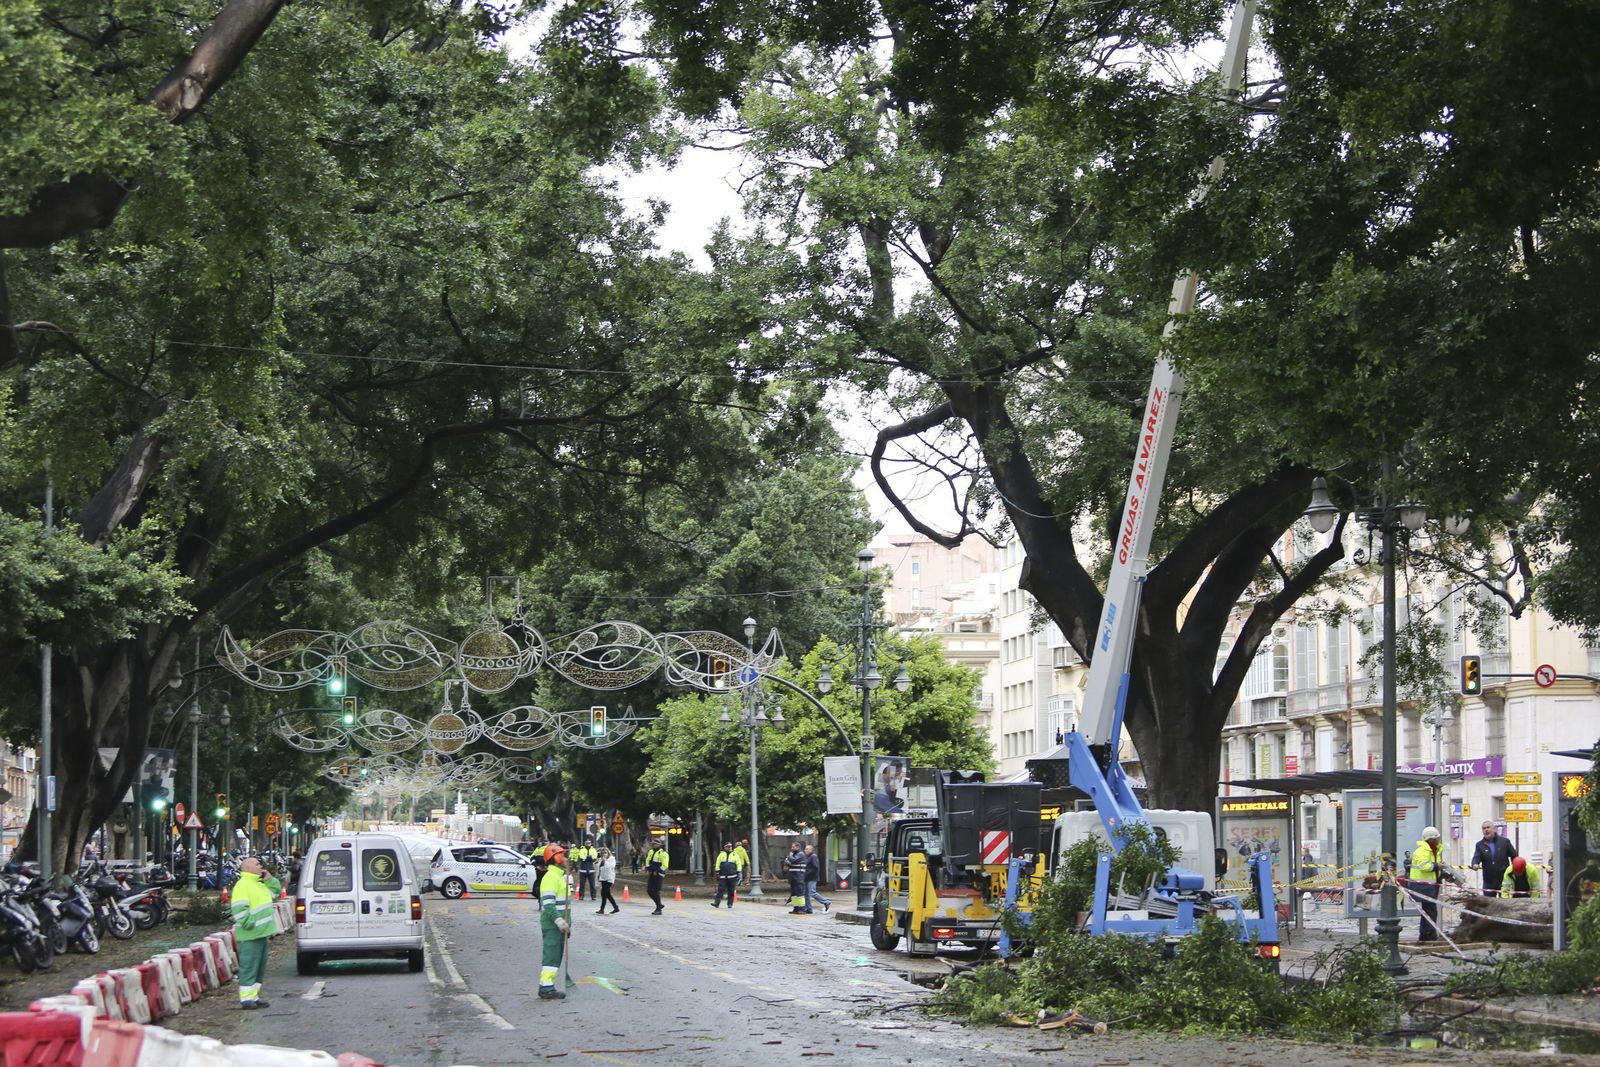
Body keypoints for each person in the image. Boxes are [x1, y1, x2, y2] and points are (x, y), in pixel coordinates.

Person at [230, 856, 278, 1010]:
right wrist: (251, 924)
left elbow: (275, 891)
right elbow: (239, 909)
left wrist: (269, 879)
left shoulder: (259, 884)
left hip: (260, 933)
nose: (261, 866)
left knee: (259, 969)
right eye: (257, 864)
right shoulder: (243, 885)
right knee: (249, 968)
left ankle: (254, 996)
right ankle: (246, 999)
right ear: (248, 868)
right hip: (250, 934)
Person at [537, 844, 570, 999]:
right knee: (551, 956)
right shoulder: (551, 878)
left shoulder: (559, 877)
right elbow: (548, 904)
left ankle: (548, 986)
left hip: (559, 926)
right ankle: (546, 988)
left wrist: (566, 924)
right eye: (562, 855)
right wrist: (559, 921)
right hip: (552, 925)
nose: (564, 859)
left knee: (555, 956)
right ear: (555, 858)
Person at [1407, 825, 1448, 943]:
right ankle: (1428, 936)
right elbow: (1424, 866)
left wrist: (1442, 873)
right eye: (1437, 838)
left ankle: (1427, 935)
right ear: (1431, 839)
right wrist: (1437, 866)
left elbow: (1433, 867)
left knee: (1428, 911)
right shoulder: (1421, 851)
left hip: (1430, 885)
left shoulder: (1433, 850)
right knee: (1429, 911)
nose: (1439, 840)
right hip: (1423, 886)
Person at [1470, 821, 1517, 898]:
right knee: (1489, 905)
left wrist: (1514, 869)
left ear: (1494, 829)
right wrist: (1475, 864)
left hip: (1504, 880)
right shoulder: (1480, 845)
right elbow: (1476, 857)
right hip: (1489, 881)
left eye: (1488, 827)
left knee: (1505, 904)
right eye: (1484, 828)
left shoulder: (1504, 842)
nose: (1486, 830)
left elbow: (1514, 856)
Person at [644, 836, 670, 915]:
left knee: (656, 891)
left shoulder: (663, 853)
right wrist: (648, 868)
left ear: (659, 845)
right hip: (651, 873)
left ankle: (658, 909)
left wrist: (657, 871)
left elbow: (665, 865)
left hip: (659, 874)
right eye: (652, 844)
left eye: (655, 844)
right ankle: (659, 905)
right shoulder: (651, 851)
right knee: (649, 890)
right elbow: (648, 860)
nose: (653, 845)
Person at [803, 844, 830, 914]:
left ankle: (826, 902)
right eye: (805, 849)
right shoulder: (807, 857)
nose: (805, 850)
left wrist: (807, 873)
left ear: (811, 850)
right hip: (807, 878)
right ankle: (808, 908)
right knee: (806, 893)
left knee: (812, 892)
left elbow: (815, 867)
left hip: (812, 878)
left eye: (807, 849)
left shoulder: (813, 857)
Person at [784, 841, 809, 914]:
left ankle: (802, 909)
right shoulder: (794, 855)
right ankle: (796, 908)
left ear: (798, 847)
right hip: (793, 877)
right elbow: (787, 862)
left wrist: (790, 856)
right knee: (794, 894)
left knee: (800, 894)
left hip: (799, 877)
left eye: (793, 847)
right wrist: (789, 860)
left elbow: (793, 861)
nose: (792, 848)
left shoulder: (800, 854)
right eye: (791, 847)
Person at [712, 842, 740, 908]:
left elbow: (738, 864)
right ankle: (716, 903)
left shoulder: (735, 855)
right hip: (723, 876)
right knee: (720, 890)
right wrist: (717, 872)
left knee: (731, 891)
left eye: (730, 846)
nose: (730, 847)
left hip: (732, 876)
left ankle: (730, 904)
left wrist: (739, 872)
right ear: (725, 847)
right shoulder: (721, 855)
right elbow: (717, 863)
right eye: (728, 846)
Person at [572, 837, 598, 902]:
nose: (588, 844)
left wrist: (586, 858)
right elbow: (581, 858)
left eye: (589, 843)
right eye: (586, 843)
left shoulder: (593, 850)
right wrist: (589, 858)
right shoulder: (582, 850)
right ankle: (581, 896)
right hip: (583, 870)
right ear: (585, 843)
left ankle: (593, 896)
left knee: (592, 884)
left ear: (591, 843)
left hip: (591, 870)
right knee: (582, 884)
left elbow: (594, 858)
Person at [596, 847, 619, 914]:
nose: (604, 854)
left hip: (609, 878)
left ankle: (602, 909)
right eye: (603, 853)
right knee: (607, 894)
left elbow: (610, 867)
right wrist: (599, 861)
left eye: (605, 853)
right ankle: (616, 907)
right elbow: (598, 867)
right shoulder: (601, 859)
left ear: (608, 853)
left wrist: (605, 861)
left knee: (604, 893)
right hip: (603, 878)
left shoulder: (611, 859)